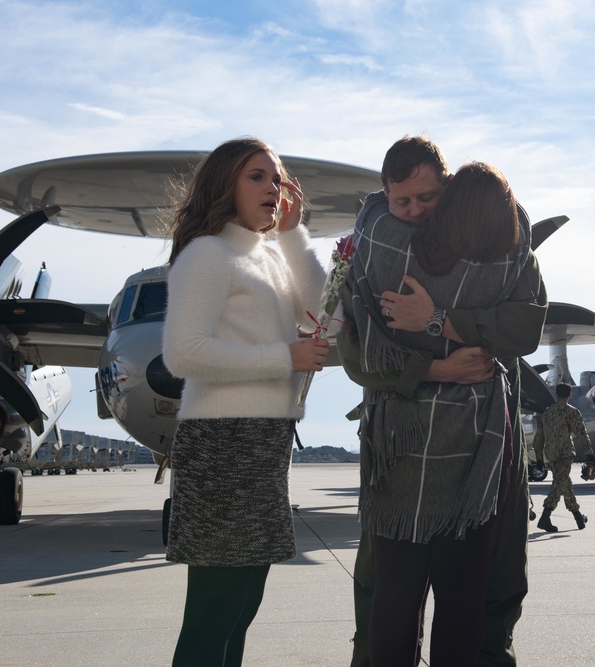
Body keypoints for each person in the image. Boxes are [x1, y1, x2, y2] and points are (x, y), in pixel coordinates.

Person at [339, 136, 546, 667]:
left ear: (449, 189)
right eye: (400, 201)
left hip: (399, 445)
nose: (411, 212)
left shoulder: (375, 238)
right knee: (463, 594)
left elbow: (359, 348)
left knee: (396, 594)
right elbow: (524, 325)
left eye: (425, 199)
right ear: (386, 194)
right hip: (476, 447)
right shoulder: (506, 247)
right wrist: (441, 363)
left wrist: (434, 321)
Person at [161, 137, 330, 667]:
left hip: (263, 441)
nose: (272, 188)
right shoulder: (208, 254)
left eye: (277, 179)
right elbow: (183, 354)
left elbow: (325, 312)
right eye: (257, 176)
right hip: (222, 443)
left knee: (242, 605)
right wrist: (285, 357)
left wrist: (293, 235)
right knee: (215, 611)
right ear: (225, 184)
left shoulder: (268, 257)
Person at [533, 382, 595, 532]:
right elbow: (581, 433)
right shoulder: (572, 412)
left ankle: (578, 517)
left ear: (556, 394)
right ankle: (545, 517)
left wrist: (539, 459)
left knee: (564, 483)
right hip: (565, 454)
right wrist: (589, 454)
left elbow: (539, 438)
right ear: (570, 395)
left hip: (551, 454)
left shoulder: (547, 413)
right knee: (558, 484)